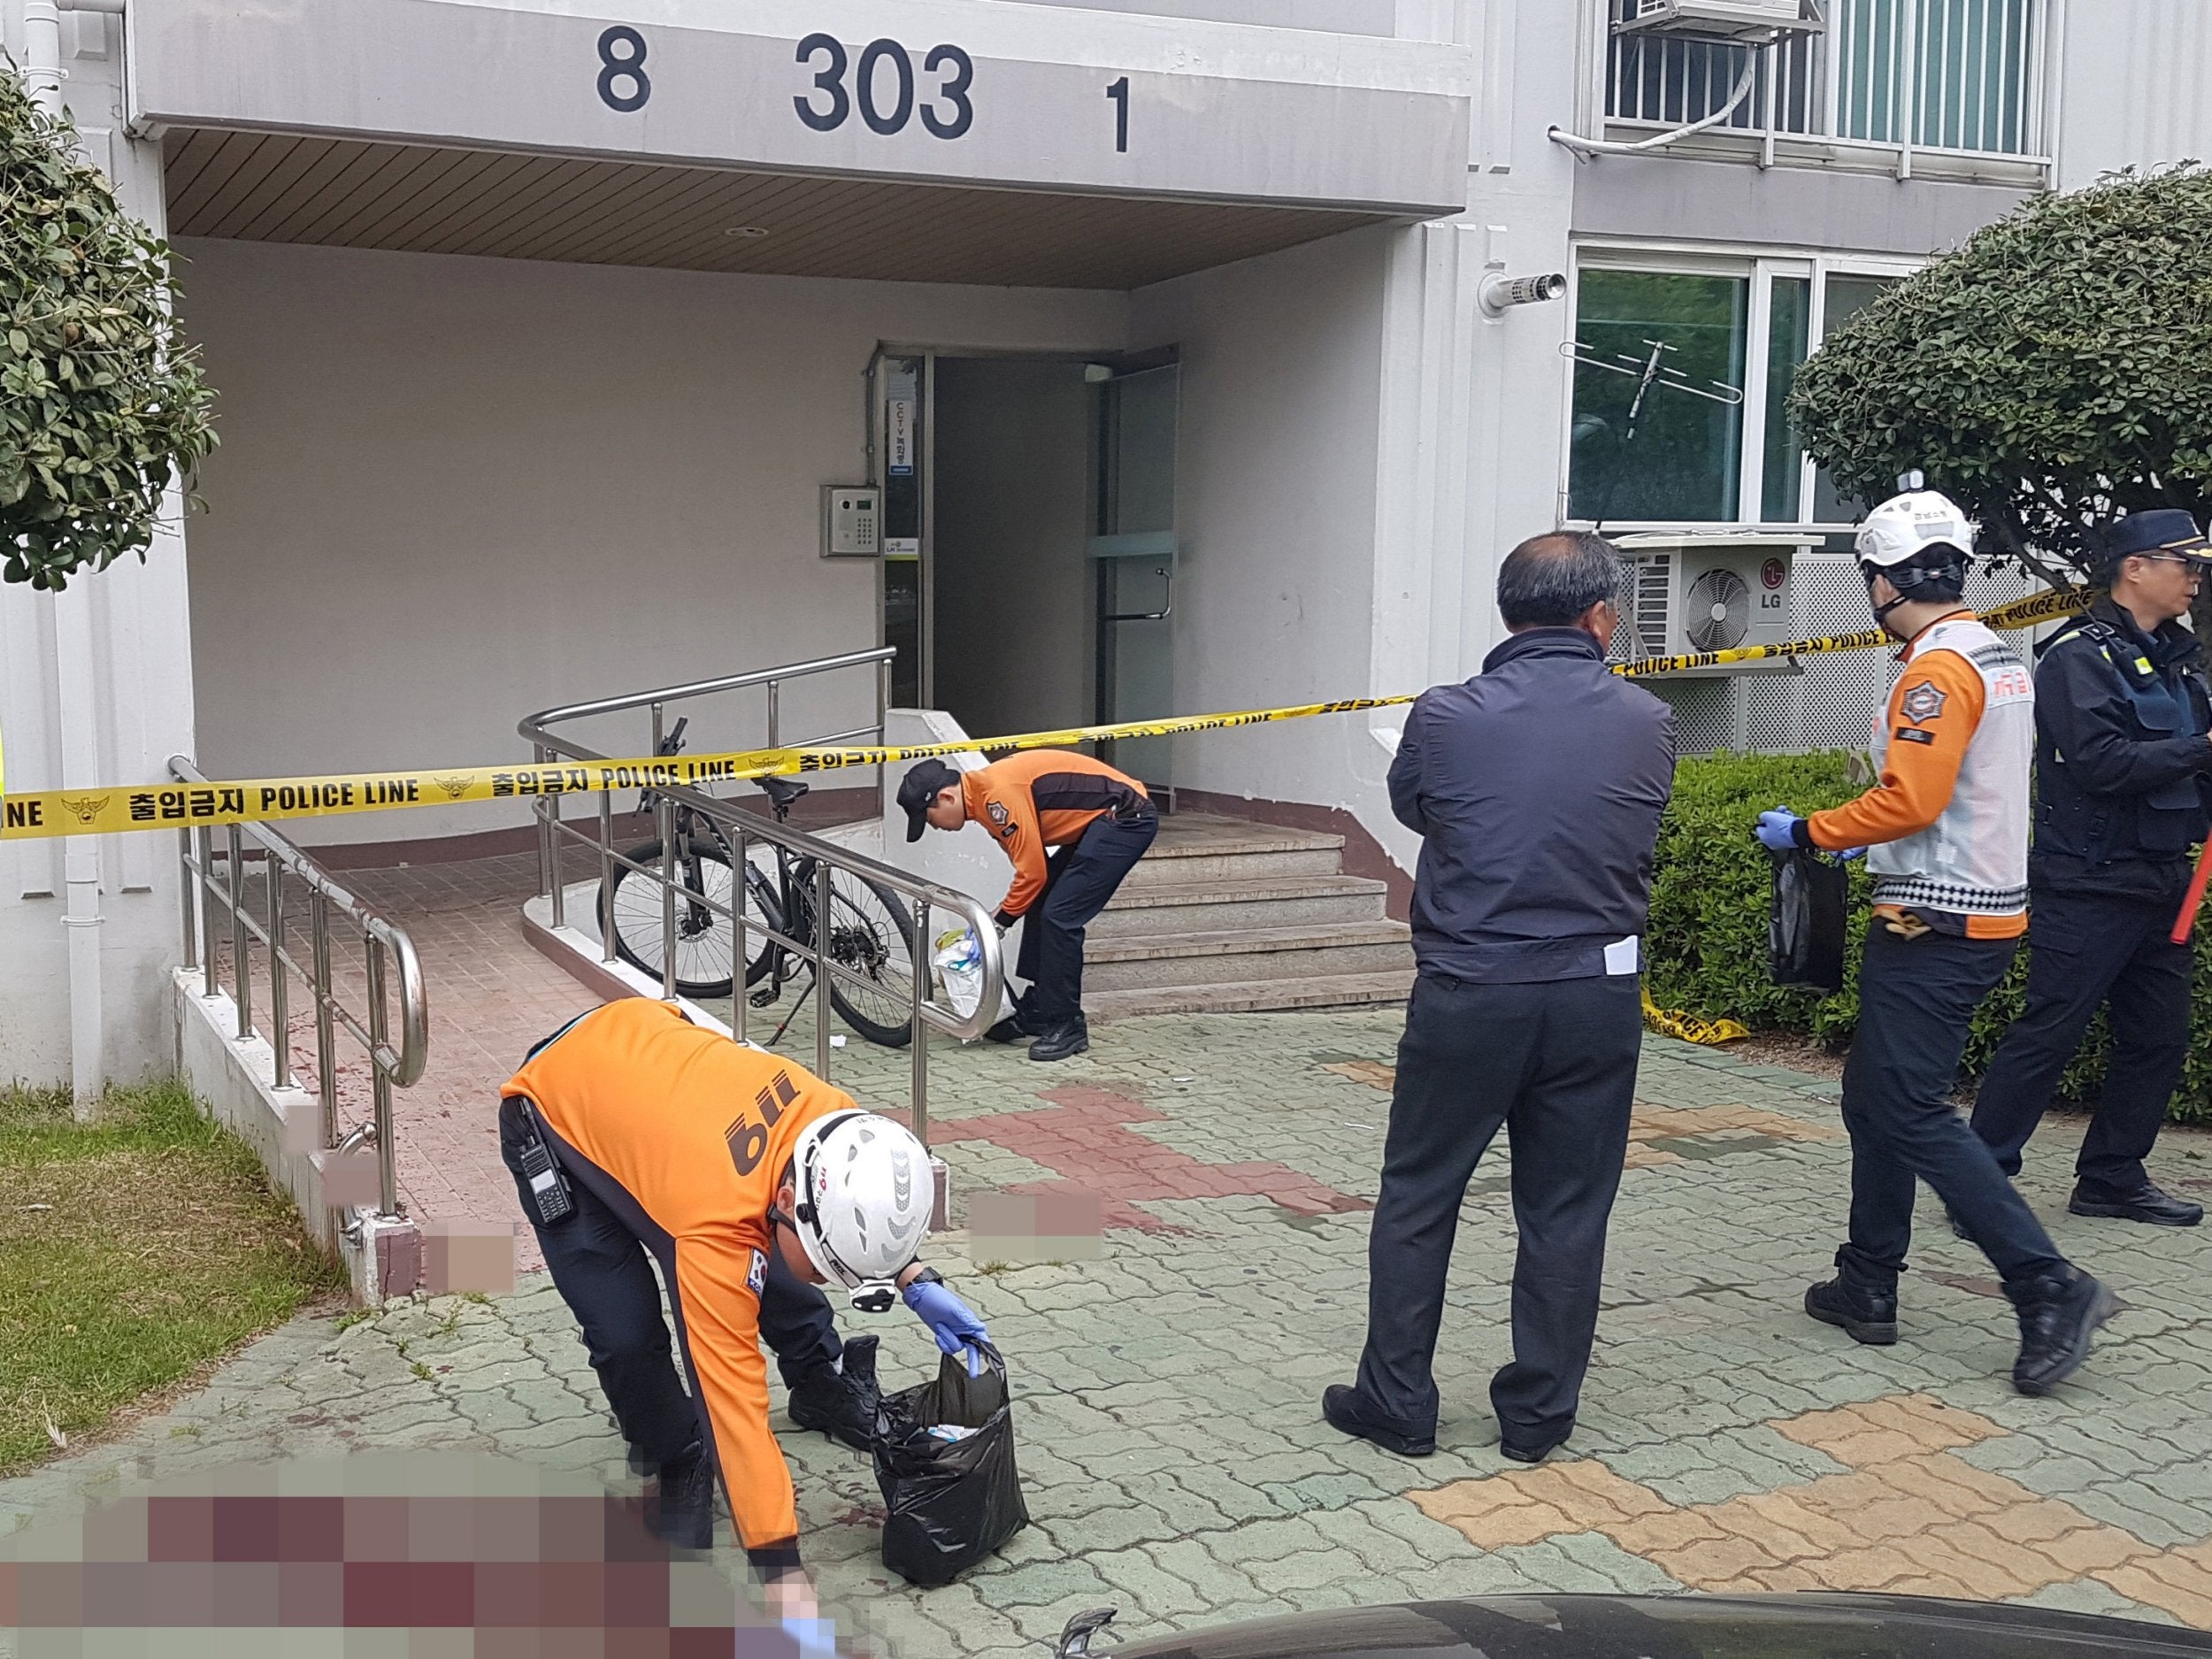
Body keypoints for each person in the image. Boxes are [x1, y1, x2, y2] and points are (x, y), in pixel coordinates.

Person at [1753, 488, 2116, 1396]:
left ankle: (2048, 1284)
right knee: (1876, 1101)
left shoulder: (1932, 672)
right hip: (1977, 911)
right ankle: (1866, 1280)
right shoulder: (1993, 655)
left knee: (1906, 1108)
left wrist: (1807, 832)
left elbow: (1908, 801)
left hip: (1931, 917)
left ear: (1881, 582)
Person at [1324, 531, 1675, 1464]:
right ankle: (1537, 1418)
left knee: (1419, 1194)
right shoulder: (1646, 718)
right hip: (1596, 993)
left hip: (1471, 987)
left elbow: (1415, 806)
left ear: (1505, 613)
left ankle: (1397, 1401)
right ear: (1601, 617)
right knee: (1566, 1208)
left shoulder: (1445, 716)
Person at [498, 998, 989, 1617]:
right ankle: (676, 1453)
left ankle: (817, 1380)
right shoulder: (711, 1231)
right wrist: (782, 1575)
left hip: (643, 1046)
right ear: (787, 1195)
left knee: (779, 1261)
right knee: (623, 1331)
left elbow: (850, 1217)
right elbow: (733, 1405)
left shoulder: (836, 1123)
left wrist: (916, 1278)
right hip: (550, 1106)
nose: (836, 1281)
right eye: (832, 1269)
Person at [1967, 509, 2212, 1228]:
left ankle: (2111, 1175)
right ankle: (1980, 1179)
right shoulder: (2077, 656)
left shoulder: (2177, 658)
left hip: (2163, 879)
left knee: (2158, 1037)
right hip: (2090, 880)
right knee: (2051, 1029)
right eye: (2183, 562)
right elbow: (2104, 764)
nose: (2195, 576)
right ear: (2135, 567)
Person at [898, 749, 1158, 1062]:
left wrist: (1001, 921)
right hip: (1100, 822)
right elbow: (1032, 871)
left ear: (946, 797)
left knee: (1060, 917)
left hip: (1127, 817)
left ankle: (1068, 1024)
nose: (935, 828)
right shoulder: (983, 799)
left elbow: (1033, 872)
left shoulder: (997, 796)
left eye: (929, 818)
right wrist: (1005, 912)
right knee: (1043, 903)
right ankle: (1039, 1007)